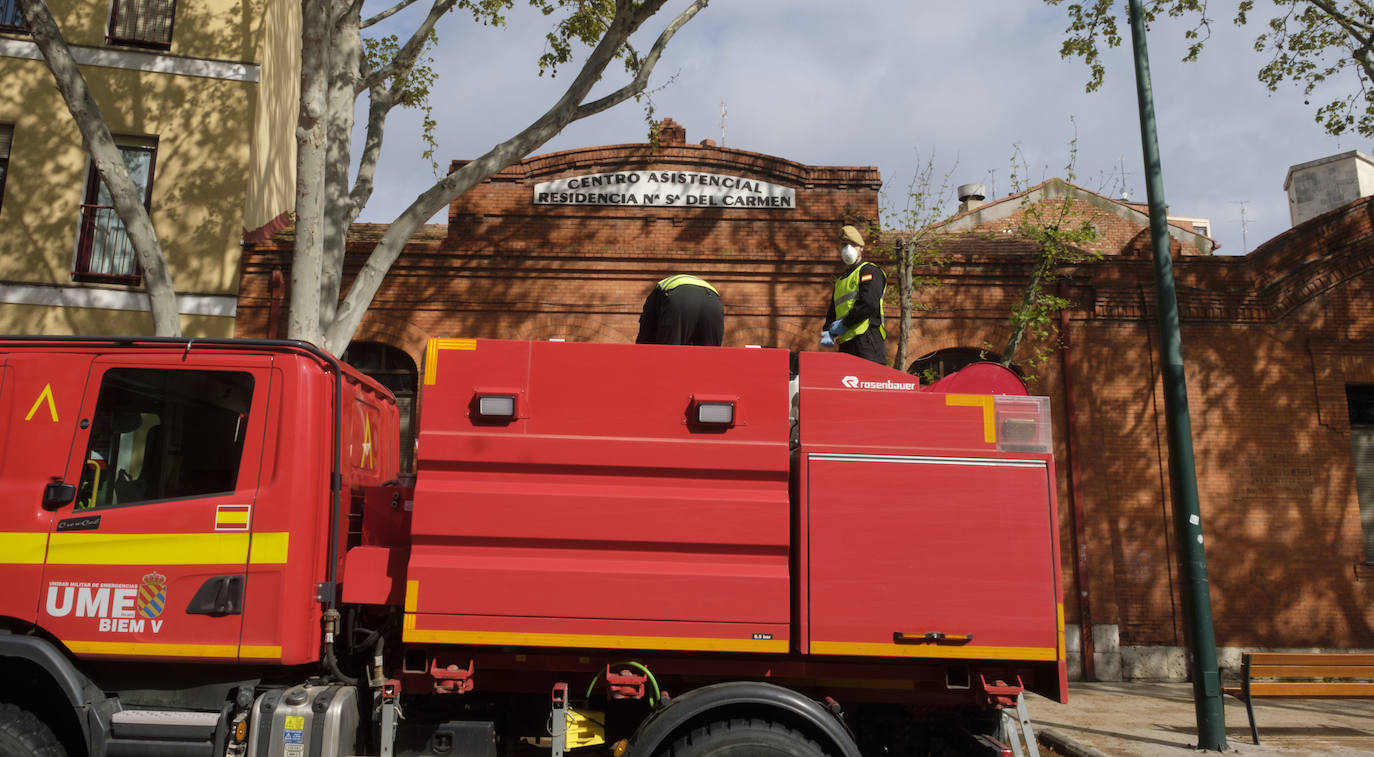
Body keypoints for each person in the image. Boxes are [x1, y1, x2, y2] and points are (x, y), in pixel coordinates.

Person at [821, 225, 887, 365]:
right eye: (844, 245)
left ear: (861, 248)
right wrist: (828, 330)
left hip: (867, 340)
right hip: (846, 343)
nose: (848, 249)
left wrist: (844, 323)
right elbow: (833, 310)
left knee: (869, 383)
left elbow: (868, 303)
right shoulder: (840, 281)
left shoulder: (869, 271)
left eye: (853, 245)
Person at [635, 274, 724, 346]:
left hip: (680, 296)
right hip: (713, 302)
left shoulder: (654, 296)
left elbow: (645, 339)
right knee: (710, 357)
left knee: (669, 356)